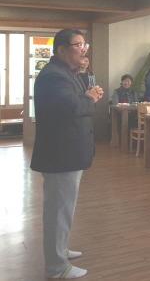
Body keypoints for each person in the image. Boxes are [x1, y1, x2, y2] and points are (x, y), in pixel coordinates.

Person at [30, 29, 104, 279]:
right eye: (78, 45)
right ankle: (57, 267)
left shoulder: (65, 73)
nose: (84, 49)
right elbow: (71, 107)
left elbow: (78, 95)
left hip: (67, 153)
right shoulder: (54, 76)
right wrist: (90, 98)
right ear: (61, 49)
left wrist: (83, 75)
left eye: (85, 45)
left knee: (64, 209)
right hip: (60, 154)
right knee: (58, 212)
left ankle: (60, 250)